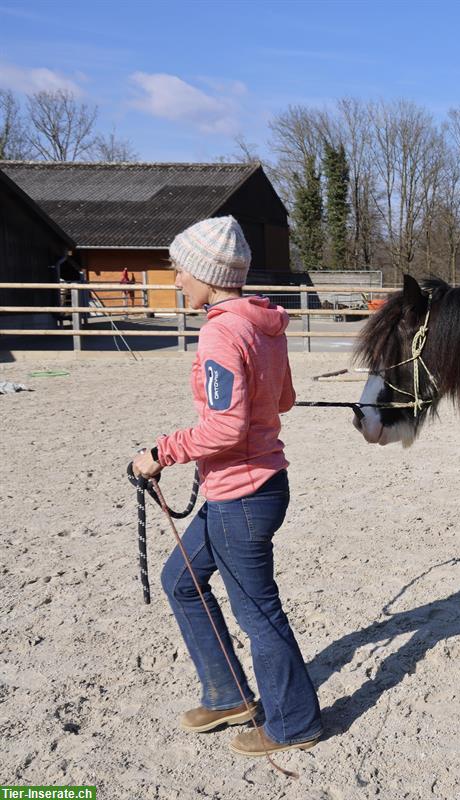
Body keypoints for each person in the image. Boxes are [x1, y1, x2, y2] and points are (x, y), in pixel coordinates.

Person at [131, 216, 322, 757]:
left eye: (179, 271)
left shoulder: (220, 330)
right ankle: (227, 694)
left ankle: (295, 723)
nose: (176, 281)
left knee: (259, 613)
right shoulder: (265, 323)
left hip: (240, 496)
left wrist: (158, 453)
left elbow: (223, 427)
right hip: (254, 486)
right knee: (182, 580)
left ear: (205, 274)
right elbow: (282, 400)